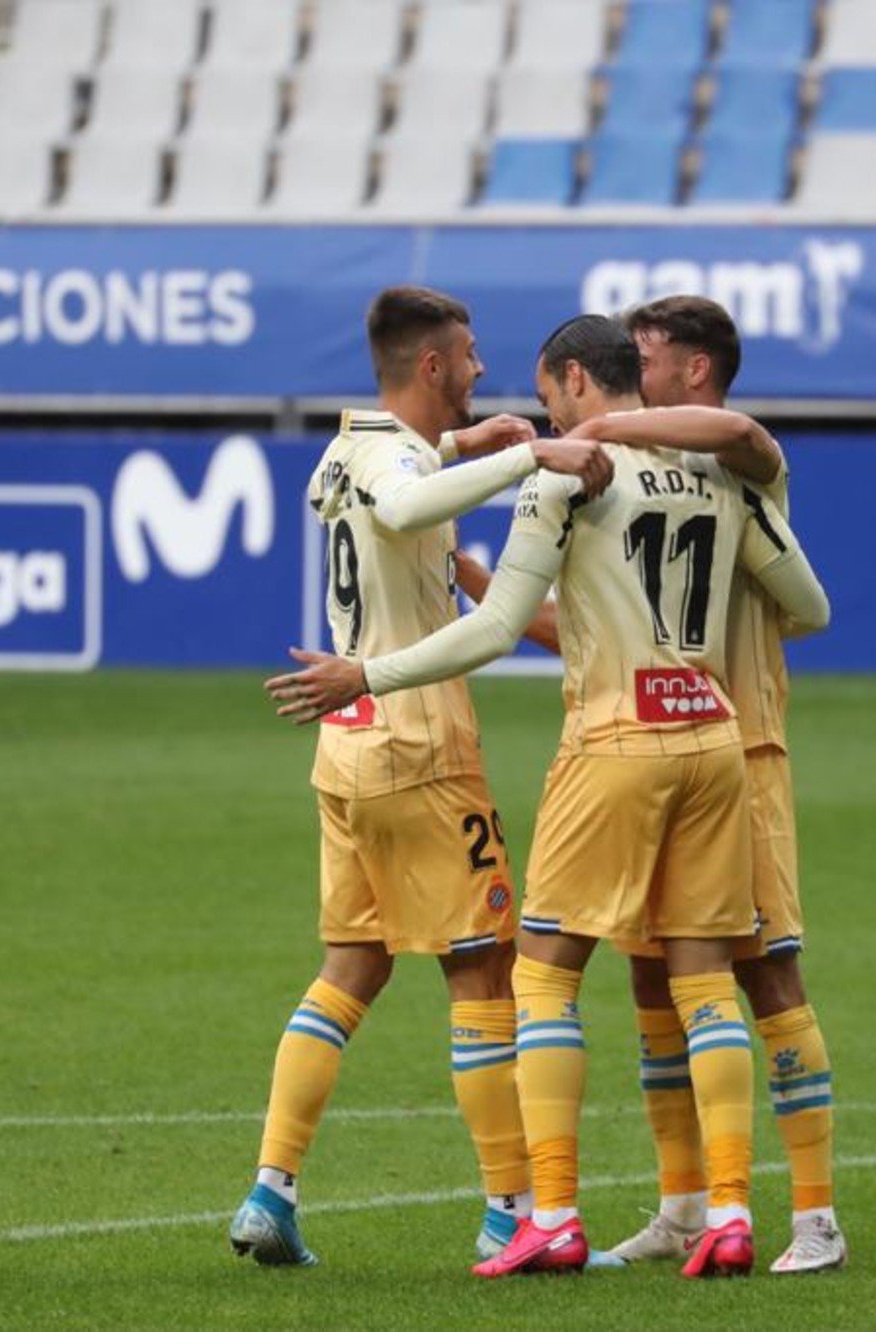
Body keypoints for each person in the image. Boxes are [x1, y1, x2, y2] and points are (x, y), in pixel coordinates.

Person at [271, 314, 831, 1280]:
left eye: (543, 395)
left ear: (574, 382)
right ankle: (732, 1211)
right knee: (702, 980)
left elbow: (488, 634)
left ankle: (554, 1214)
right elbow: (810, 605)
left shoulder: (568, 474)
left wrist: (366, 675)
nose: (535, 413)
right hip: (713, 739)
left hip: (613, 743)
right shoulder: (718, 472)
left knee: (540, 972)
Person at [229, 286, 613, 1270]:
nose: (482, 369)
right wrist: (528, 453)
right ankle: (509, 1209)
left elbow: (393, 481)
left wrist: (465, 448)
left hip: (346, 751)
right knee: (483, 969)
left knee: (350, 966)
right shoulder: (396, 466)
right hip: (419, 749)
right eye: (470, 356)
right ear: (432, 365)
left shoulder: (344, 445)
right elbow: (401, 501)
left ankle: (270, 1188)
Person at [478, 294, 845, 1273]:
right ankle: (686, 1205)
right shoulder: (667, 481)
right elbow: (595, 631)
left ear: (690, 368)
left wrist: (587, 429)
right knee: (656, 977)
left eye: (646, 358)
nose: (631, 373)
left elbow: (744, 449)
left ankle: (814, 1215)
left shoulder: (739, 472)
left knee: (763, 975)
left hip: (742, 749)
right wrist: (490, 593)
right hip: (681, 742)